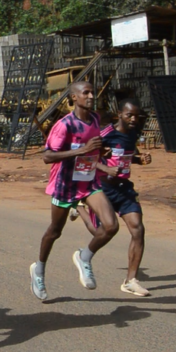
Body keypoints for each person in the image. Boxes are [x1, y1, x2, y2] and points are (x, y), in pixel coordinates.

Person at [30, 81, 120, 301]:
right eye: (85, 93)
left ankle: (84, 257)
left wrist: (101, 154)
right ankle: (39, 270)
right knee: (55, 231)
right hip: (65, 184)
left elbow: (92, 151)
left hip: (88, 182)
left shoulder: (96, 119)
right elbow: (47, 157)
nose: (90, 96)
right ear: (74, 98)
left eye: (92, 92)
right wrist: (83, 149)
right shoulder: (65, 125)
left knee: (111, 226)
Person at [99, 99, 152, 297]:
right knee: (101, 231)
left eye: (136, 116)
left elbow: (130, 155)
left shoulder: (133, 134)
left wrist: (140, 159)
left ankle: (131, 281)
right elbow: (87, 156)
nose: (133, 119)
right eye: (129, 115)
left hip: (124, 188)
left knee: (138, 228)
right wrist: (103, 165)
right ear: (119, 114)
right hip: (103, 189)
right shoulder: (106, 134)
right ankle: (78, 203)